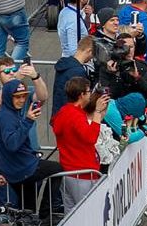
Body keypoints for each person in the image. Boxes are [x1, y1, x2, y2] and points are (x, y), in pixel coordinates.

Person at [0, 76, 61, 213]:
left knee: (27, 211)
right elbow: (12, 144)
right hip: (24, 168)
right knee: (58, 169)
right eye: (17, 97)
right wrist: (28, 120)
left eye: (23, 96)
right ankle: (47, 212)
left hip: (17, 170)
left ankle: (36, 217)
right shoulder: (6, 117)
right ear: (9, 97)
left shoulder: (8, 113)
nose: (21, 100)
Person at [50, 76, 109, 213]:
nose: (90, 95)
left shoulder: (64, 111)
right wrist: (98, 112)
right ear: (81, 95)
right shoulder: (75, 116)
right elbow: (90, 137)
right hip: (83, 173)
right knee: (87, 213)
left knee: (71, 214)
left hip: (68, 172)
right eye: (88, 92)